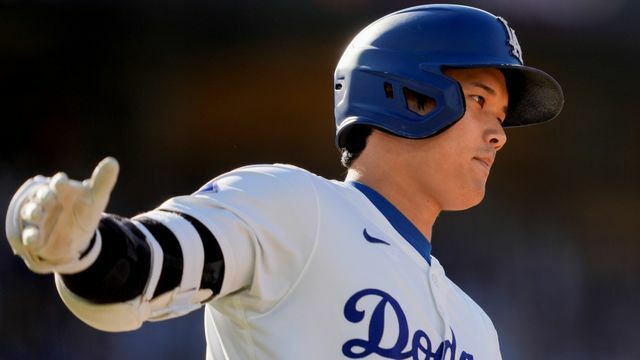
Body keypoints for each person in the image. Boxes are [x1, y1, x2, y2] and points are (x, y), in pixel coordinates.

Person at [6, 4, 563, 360]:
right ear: (410, 95)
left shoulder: (477, 330)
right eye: (480, 101)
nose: (499, 134)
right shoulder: (299, 208)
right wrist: (85, 249)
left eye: (502, 114)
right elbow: (144, 270)